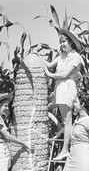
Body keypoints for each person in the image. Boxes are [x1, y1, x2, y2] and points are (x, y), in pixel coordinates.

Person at [35, 28, 83, 161]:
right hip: (60, 88)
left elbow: (65, 74)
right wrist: (37, 56)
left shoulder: (76, 56)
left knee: (68, 120)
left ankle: (65, 150)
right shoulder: (62, 56)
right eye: (60, 42)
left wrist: (50, 75)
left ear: (72, 43)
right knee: (60, 116)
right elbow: (50, 64)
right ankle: (61, 132)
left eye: (64, 42)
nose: (62, 44)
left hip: (67, 86)